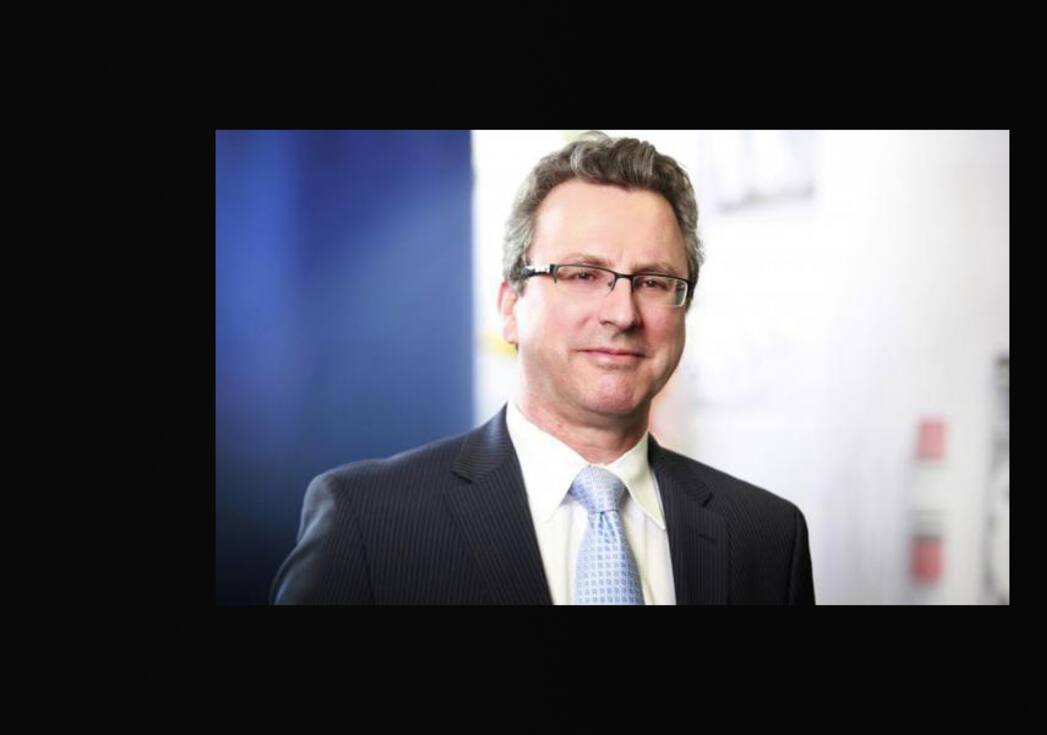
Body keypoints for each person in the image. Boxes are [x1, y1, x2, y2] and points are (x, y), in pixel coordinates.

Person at [270, 131, 815, 605]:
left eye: (653, 281)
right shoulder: (368, 524)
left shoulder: (767, 539)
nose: (622, 314)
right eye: (582, 275)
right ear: (511, 307)